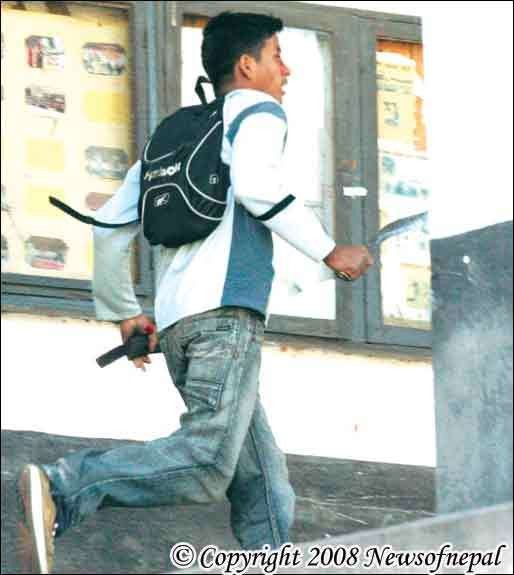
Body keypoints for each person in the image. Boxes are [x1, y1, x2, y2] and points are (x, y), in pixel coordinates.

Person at [18, 11, 373, 574]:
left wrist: (125, 313)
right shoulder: (257, 111)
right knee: (207, 463)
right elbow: (257, 187)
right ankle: (64, 487)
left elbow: (108, 230)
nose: (286, 70)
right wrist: (330, 250)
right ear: (247, 65)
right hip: (226, 321)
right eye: (277, 56)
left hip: (181, 329)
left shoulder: (175, 133)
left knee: (263, 485)